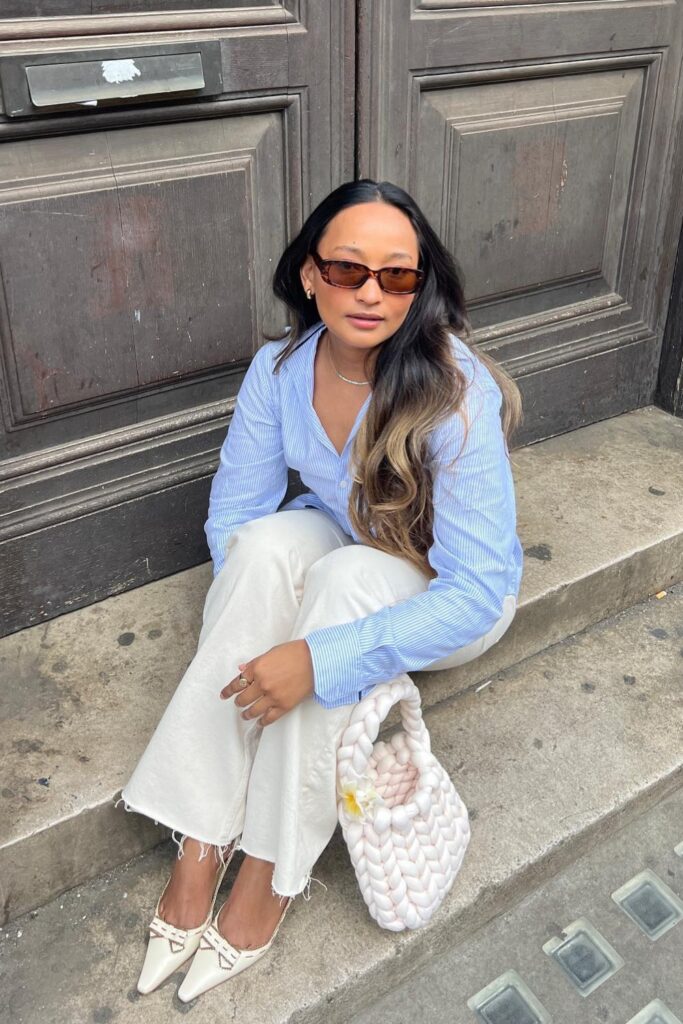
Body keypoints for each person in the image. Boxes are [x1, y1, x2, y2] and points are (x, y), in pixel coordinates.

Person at [119, 178, 524, 1002]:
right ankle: (202, 839)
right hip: (342, 542)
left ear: (421, 287)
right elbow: (234, 518)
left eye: (397, 277)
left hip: (442, 596)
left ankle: (268, 866)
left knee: (337, 584)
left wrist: (320, 654)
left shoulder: (454, 388)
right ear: (309, 276)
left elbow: (477, 589)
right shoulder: (278, 370)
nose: (371, 293)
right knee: (263, 548)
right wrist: (256, 614)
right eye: (347, 270)